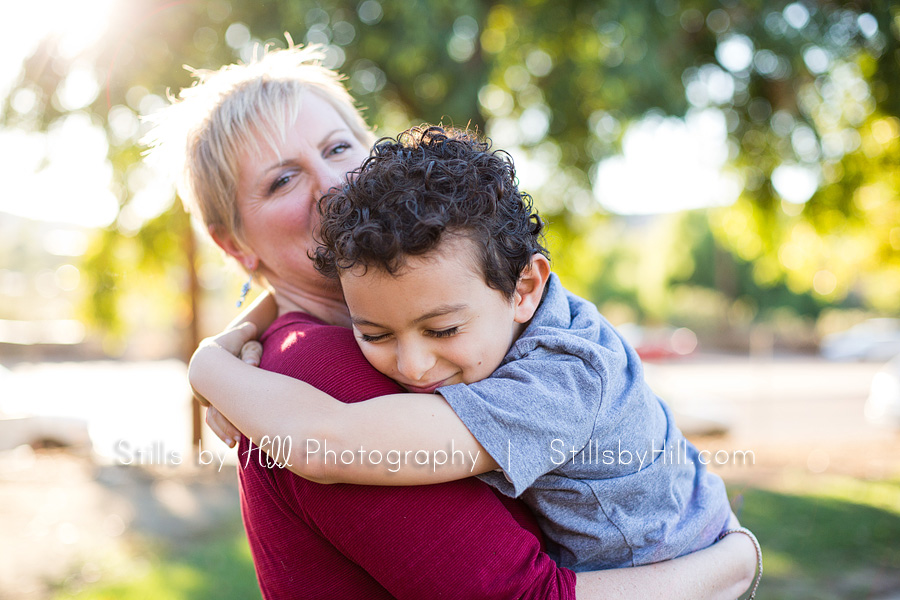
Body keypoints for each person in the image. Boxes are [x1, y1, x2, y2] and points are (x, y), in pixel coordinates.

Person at [156, 42, 758, 598]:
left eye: (339, 148)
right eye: (282, 179)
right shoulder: (315, 366)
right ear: (233, 245)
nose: (332, 184)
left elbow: (326, 438)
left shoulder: (534, 352)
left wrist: (217, 357)